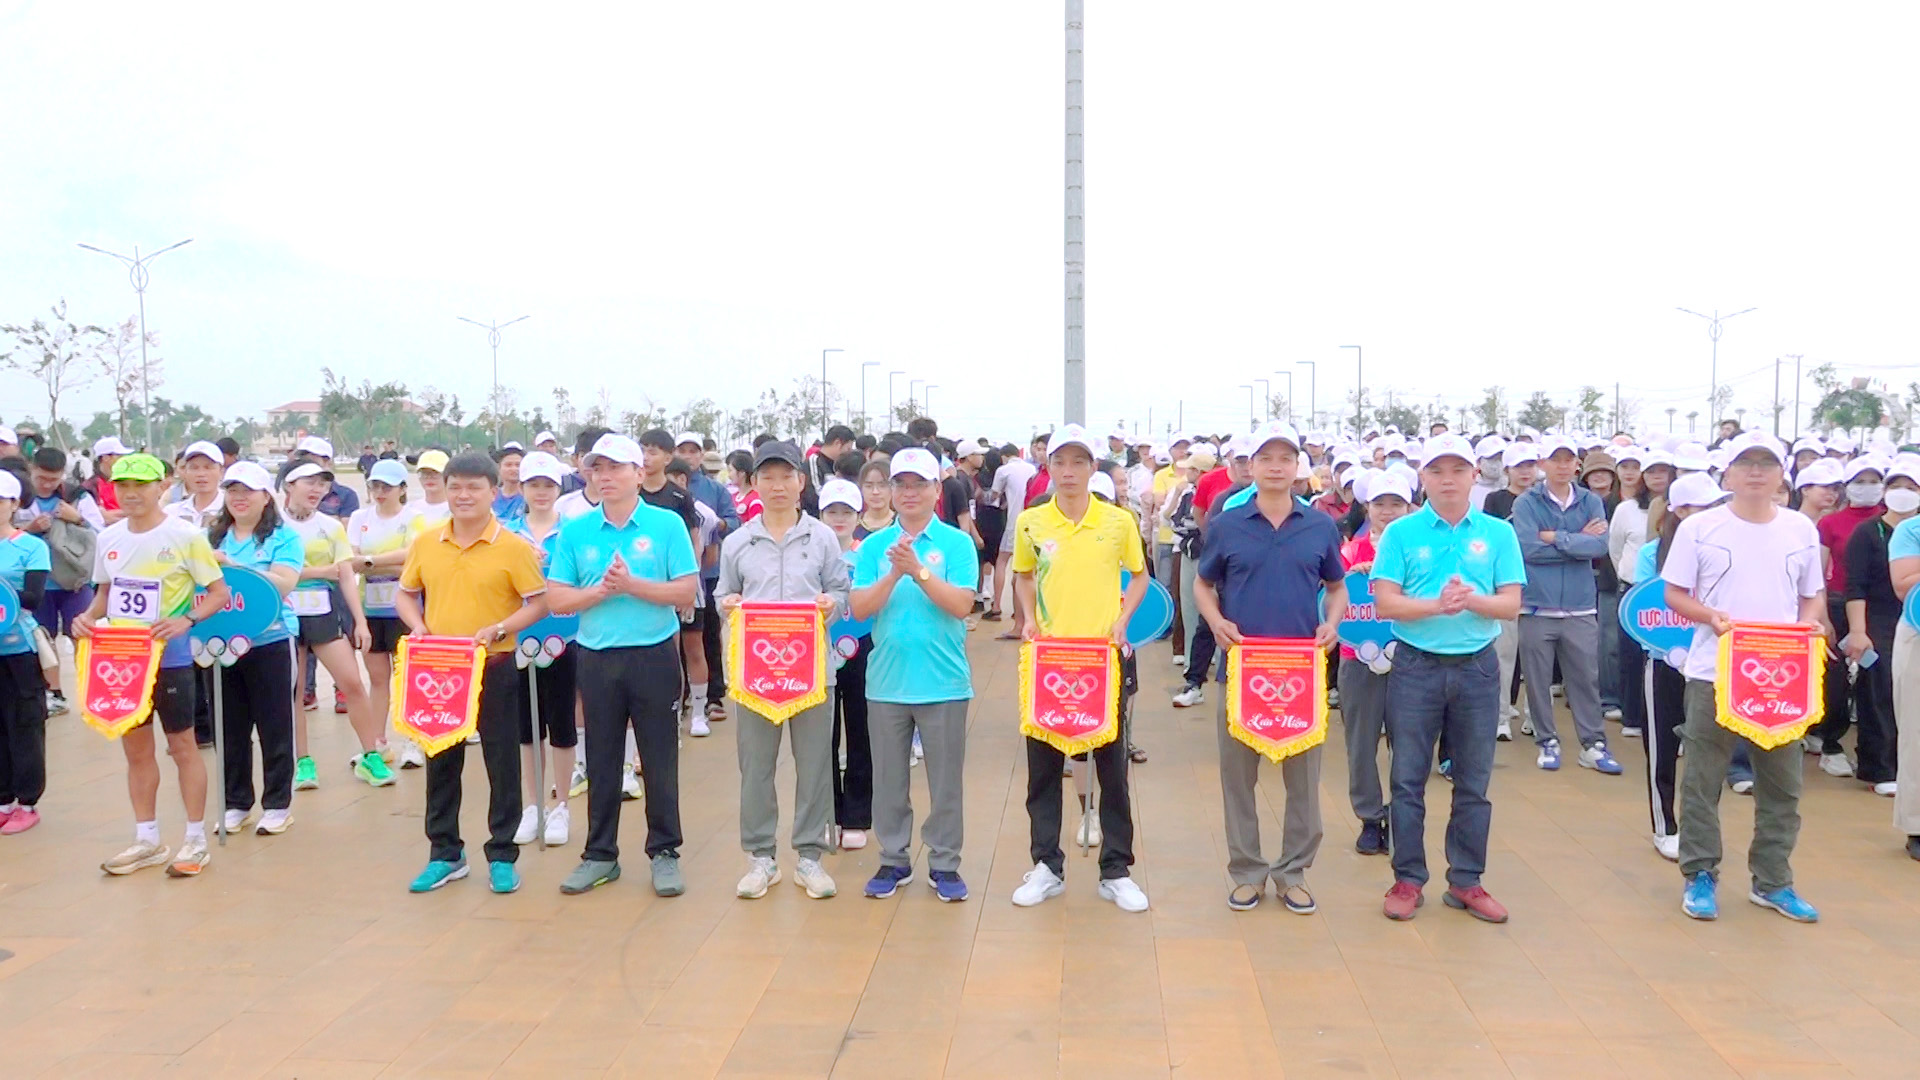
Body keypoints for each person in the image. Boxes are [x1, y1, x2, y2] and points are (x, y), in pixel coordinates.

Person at [1663, 434, 1825, 923]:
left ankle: (1773, 880)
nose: (1756, 472)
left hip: (1782, 675)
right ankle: (1700, 873)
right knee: (1702, 779)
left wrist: (1810, 622)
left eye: (1766, 463)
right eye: (1746, 463)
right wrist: (1710, 617)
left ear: (1782, 475)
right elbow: (1675, 593)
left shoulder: (1799, 528)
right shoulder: (1700, 527)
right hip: (1714, 671)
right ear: (1727, 474)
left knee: (1782, 784)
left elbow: (1812, 594)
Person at [1370, 433, 1525, 923]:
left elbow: (1511, 604)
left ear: (1474, 475)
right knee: (1407, 778)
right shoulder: (1401, 533)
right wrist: (1437, 605)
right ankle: (1408, 878)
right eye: (1437, 471)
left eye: (1458, 470)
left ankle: (1466, 880)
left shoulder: (1498, 533)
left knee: (1474, 781)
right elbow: (1385, 602)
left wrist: (1469, 600)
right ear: (1423, 477)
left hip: (1477, 666)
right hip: (1416, 666)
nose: (1448, 480)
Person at [1192, 421, 1345, 913]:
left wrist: (1332, 623)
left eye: (1285, 458)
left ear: (1298, 467)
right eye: (1266, 458)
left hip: (1300, 671)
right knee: (1238, 778)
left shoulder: (1319, 525)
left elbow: (1337, 586)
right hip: (1242, 669)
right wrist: (1216, 621)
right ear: (1250, 466)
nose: (1276, 467)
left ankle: (1293, 872)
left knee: (1303, 781)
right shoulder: (1227, 524)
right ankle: (1247, 871)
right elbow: (1202, 584)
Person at [545, 433, 699, 898]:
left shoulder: (666, 525)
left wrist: (632, 585)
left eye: (615, 467)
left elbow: (685, 591)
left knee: (659, 757)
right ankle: (600, 854)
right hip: (597, 657)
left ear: (639, 472)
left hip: (653, 655)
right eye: (597, 468)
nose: (605, 476)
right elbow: (557, 599)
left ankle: (665, 851)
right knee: (603, 757)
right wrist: (600, 592)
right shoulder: (576, 531)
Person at [1009, 424, 1151, 913]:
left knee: (1111, 767)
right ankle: (1046, 865)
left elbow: (1140, 576)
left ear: (1093, 467)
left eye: (1078, 462)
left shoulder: (1117, 521)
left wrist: (1122, 621)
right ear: (1047, 468)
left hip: (1100, 660)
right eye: (1059, 463)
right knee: (1044, 768)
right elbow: (1023, 575)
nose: (1068, 472)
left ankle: (1116, 869)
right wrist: (1029, 619)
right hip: (1050, 660)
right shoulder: (1032, 521)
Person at [396, 452, 550, 894]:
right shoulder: (427, 543)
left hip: (494, 665)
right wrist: (418, 625)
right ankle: (445, 853)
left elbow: (539, 602)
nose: (463, 496)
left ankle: (502, 853)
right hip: (440, 669)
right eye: (456, 487)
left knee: (502, 762)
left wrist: (499, 628)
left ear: (493, 491)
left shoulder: (513, 547)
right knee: (440, 761)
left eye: (474, 487)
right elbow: (405, 594)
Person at [76, 453, 231, 877]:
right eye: (123, 485)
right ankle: (146, 838)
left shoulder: (185, 536)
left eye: (140, 485)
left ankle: (195, 839)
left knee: (182, 745)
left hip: (170, 658)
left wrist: (186, 620)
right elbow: (105, 594)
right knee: (136, 750)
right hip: (122, 660)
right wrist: (87, 618)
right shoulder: (108, 537)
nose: (131, 494)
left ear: (162, 486)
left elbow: (218, 592)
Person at [715, 442, 850, 900]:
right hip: (755, 673)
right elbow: (722, 594)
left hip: (811, 672)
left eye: (786, 476)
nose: (777, 486)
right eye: (767, 477)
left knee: (814, 765)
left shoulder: (822, 537)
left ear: (801, 482)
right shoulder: (738, 541)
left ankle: (810, 856)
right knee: (756, 766)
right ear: (753, 483)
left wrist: (831, 605)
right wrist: (729, 605)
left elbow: (840, 591)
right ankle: (761, 857)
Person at [851, 447, 978, 902]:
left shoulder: (957, 544)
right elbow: (860, 608)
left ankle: (944, 863)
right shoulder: (872, 547)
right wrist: (893, 572)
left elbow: (961, 604)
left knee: (945, 783)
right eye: (900, 485)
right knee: (888, 780)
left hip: (943, 682)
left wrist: (918, 570)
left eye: (919, 484)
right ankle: (893, 858)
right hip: (887, 682)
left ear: (936, 490)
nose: (909, 493)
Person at [1511, 438, 1621, 774]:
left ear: (1577, 464)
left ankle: (1593, 744)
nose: (1562, 465)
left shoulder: (1590, 500)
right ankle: (1547, 740)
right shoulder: (1527, 502)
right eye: (1555, 459)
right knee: (1537, 679)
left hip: (1580, 607)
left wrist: (1554, 536)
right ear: (1543, 463)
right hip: (1536, 606)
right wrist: (1576, 537)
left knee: (1585, 678)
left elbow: (1598, 546)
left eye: (1568, 459)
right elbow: (1528, 548)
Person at [282, 462, 395, 789]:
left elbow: (345, 574)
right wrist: (317, 572)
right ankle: (302, 762)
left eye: (322, 484)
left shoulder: (330, 527)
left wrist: (360, 622)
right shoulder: (273, 525)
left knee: (352, 682)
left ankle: (370, 755)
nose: (316, 489)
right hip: (285, 613)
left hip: (324, 613)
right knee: (294, 691)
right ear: (289, 485)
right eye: (309, 482)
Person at [206, 462, 303, 836]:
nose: (239, 498)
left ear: (266, 497)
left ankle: (277, 804)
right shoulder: (210, 537)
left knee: (275, 725)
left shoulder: (283, 538)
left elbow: (285, 583)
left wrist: (234, 567)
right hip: (220, 642)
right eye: (232, 491)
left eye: (247, 491)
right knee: (228, 726)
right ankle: (236, 803)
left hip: (271, 640)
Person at [1636, 473, 1727, 861]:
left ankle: (1699, 828)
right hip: (1664, 662)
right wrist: (1669, 647)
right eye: (1699, 507)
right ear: (1679, 511)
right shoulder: (1651, 553)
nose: (1708, 514)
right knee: (1662, 746)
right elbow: (1643, 610)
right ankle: (1665, 825)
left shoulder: (1725, 549)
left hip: (1709, 664)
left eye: (1713, 506)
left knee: (1707, 750)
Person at [1337, 468, 1413, 858]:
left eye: (1396, 504)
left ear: (1410, 507)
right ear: (1367, 507)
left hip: (1411, 657)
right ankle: (1370, 817)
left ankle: (1403, 816)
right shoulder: (1351, 550)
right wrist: (1351, 576)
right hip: (1358, 659)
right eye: (1380, 504)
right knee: (1361, 743)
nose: (1387, 511)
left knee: (1409, 743)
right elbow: (1331, 594)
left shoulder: (1420, 550)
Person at [504, 451, 576, 846]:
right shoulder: (506, 533)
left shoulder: (573, 531)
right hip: (517, 637)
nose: (541, 492)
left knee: (562, 724)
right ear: (522, 488)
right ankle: (532, 806)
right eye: (534, 484)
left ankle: (561, 805)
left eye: (549, 485)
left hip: (564, 636)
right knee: (527, 728)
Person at [1841, 459, 1918, 796]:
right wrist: (1859, 631)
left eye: (1911, 487)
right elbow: (1855, 586)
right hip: (1877, 618)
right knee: (1878, 693)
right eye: (1896, 486)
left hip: (1912, 617)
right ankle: (1880, 767)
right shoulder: (1868, 532)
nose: (1903, 493)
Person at [1814, 456, 1888, 777]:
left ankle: (1873, 752)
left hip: (1879, 609)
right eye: (1860, 481)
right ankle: (1831, 743)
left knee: (1875, 683)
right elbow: (1818, 573)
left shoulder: (1891, 521)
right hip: (1838, 604)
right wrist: (1824, 616)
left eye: (1874, 481)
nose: (1867, 487)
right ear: (1848, 486)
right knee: (1835, 681)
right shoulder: (1830, 523)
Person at [348, 459, 421, 767]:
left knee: (408, 676)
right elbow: (350, 560)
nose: (380, 492)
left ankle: (413, 741)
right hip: (370, 607)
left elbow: (412, 558)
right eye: (375, 486)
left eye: (387, 487)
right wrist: (382, 564)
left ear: (402, 489)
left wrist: (370, 562)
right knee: (378, 678)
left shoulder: (413, 517)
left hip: (405, 608)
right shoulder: (359, 517)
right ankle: (377, 741)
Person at [22, 445, 103, 717]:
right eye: (41, 478)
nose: (46, 484)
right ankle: (54, 693)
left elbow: (100, 533)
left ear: (62, 475)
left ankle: (92, 691)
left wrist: (77, 518)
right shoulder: (18, 497)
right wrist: (29, 529)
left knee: (83, 634)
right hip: (37, 583)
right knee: (43, 638)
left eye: (53, 479)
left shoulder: (77, 496)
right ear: (32, 470)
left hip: (74, 580)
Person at [818, 478, 873, 851]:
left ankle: (856, 816)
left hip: (862, 647)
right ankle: (828, 813)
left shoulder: (867, 553)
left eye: (847, 512)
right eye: (831, 511)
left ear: (858, 515)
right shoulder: (812, 553)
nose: (839, 518)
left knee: (860, 732)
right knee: (822, 735)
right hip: (819, 647)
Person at [0, 471, 51, 835]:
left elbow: (34, 597)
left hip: (19, 649)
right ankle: (3, 799)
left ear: (14, 504)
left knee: (24, 723)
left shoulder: (31, 547)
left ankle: (27, 801)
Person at [1483, 441, 1537, 739]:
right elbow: (1491, 538)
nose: (1525, 472)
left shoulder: (1544, 498)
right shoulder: (1496, 499)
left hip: (1539, 584)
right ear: (1507, 470)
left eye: (1530, 465)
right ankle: (1501, 716)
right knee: (1503, 654)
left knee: (1537, 659)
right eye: (1519, 467)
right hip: (1503, 584)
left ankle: (1535, 716)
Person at [164, 441, 225, 528]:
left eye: (208, 467)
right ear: (185, 471)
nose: (201, 474)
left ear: (221, 471)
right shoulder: (172, 513)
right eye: (194, 468)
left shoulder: (231, 512)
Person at [412, 450, 453, 529]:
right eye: (424, 473)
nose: (429, 477)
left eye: (435, 473)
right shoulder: (411, 509)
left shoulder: (456, 509)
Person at [492, 444, 526, 519]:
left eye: (518, 465)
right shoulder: (491, 495)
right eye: (508, 465)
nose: (514, 469)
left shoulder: (528, 497)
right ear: (499, 468)